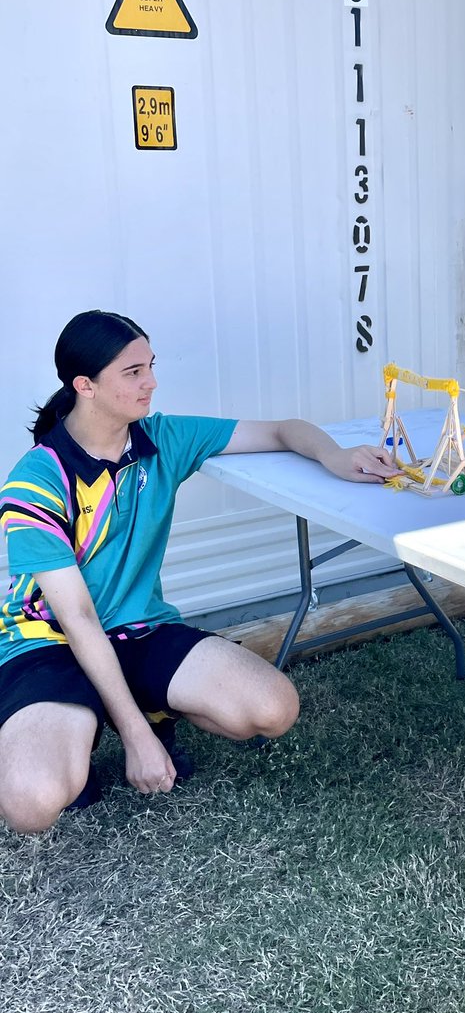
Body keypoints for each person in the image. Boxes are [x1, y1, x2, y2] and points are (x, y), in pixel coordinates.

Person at [0, 309, 400, 834]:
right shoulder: (36, 479)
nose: (152, 381)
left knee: (272, 708)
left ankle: (133, 711)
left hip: (139, 630)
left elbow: (282, 430)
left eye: (151, 365)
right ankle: (85, 725)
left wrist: (336, 457)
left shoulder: (161, 438)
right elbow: (76, 619)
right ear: (85, 385)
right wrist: (136, 737)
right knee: (32, 804)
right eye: (133, 371)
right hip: (49, 640)